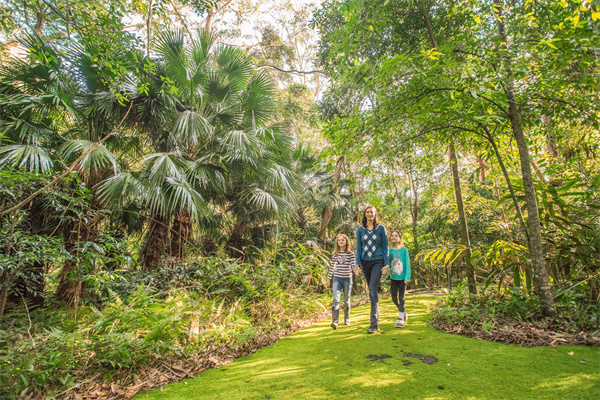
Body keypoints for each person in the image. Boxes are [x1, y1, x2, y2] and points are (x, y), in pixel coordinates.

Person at [355, 205, 389, 333]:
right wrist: (357, 265)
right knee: (371, 290)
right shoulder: (360, 230)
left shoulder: (381, 229)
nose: (369, 214)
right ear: (365, 214)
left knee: (373, 290)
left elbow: (385, 246)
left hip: (378, 261)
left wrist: (386, 263)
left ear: (375, 214)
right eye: (367, 212)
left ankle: (374, 323)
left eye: (372, 212)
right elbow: (359, 248)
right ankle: (376, 317)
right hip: (365, 263)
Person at [327, 234, 357, 329]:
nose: (340, 242)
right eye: (339, 240)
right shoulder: (335, 254)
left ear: (346, 242)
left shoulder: (350, 253)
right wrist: (328, 278)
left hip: (347, 278)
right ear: (337, 242)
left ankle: (346, 318)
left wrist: (357, 272)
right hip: (337, 278)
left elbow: (353, 265)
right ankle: (335, 322)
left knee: (346, 300)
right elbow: (332, 266)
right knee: (336, 299)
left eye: (342, 240)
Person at [388, 231, 411, 328]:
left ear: (399, 239)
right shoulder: (389, 250)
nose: (393, 237)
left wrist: (407, 277)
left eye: (396, 236)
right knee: (394, 298)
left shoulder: (404, 250)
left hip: (402, 278)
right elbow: (387, 262)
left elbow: (407, 263)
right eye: (392, 235)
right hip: (393, 278)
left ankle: (400, 319)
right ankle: (402, 311)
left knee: (401, 298)